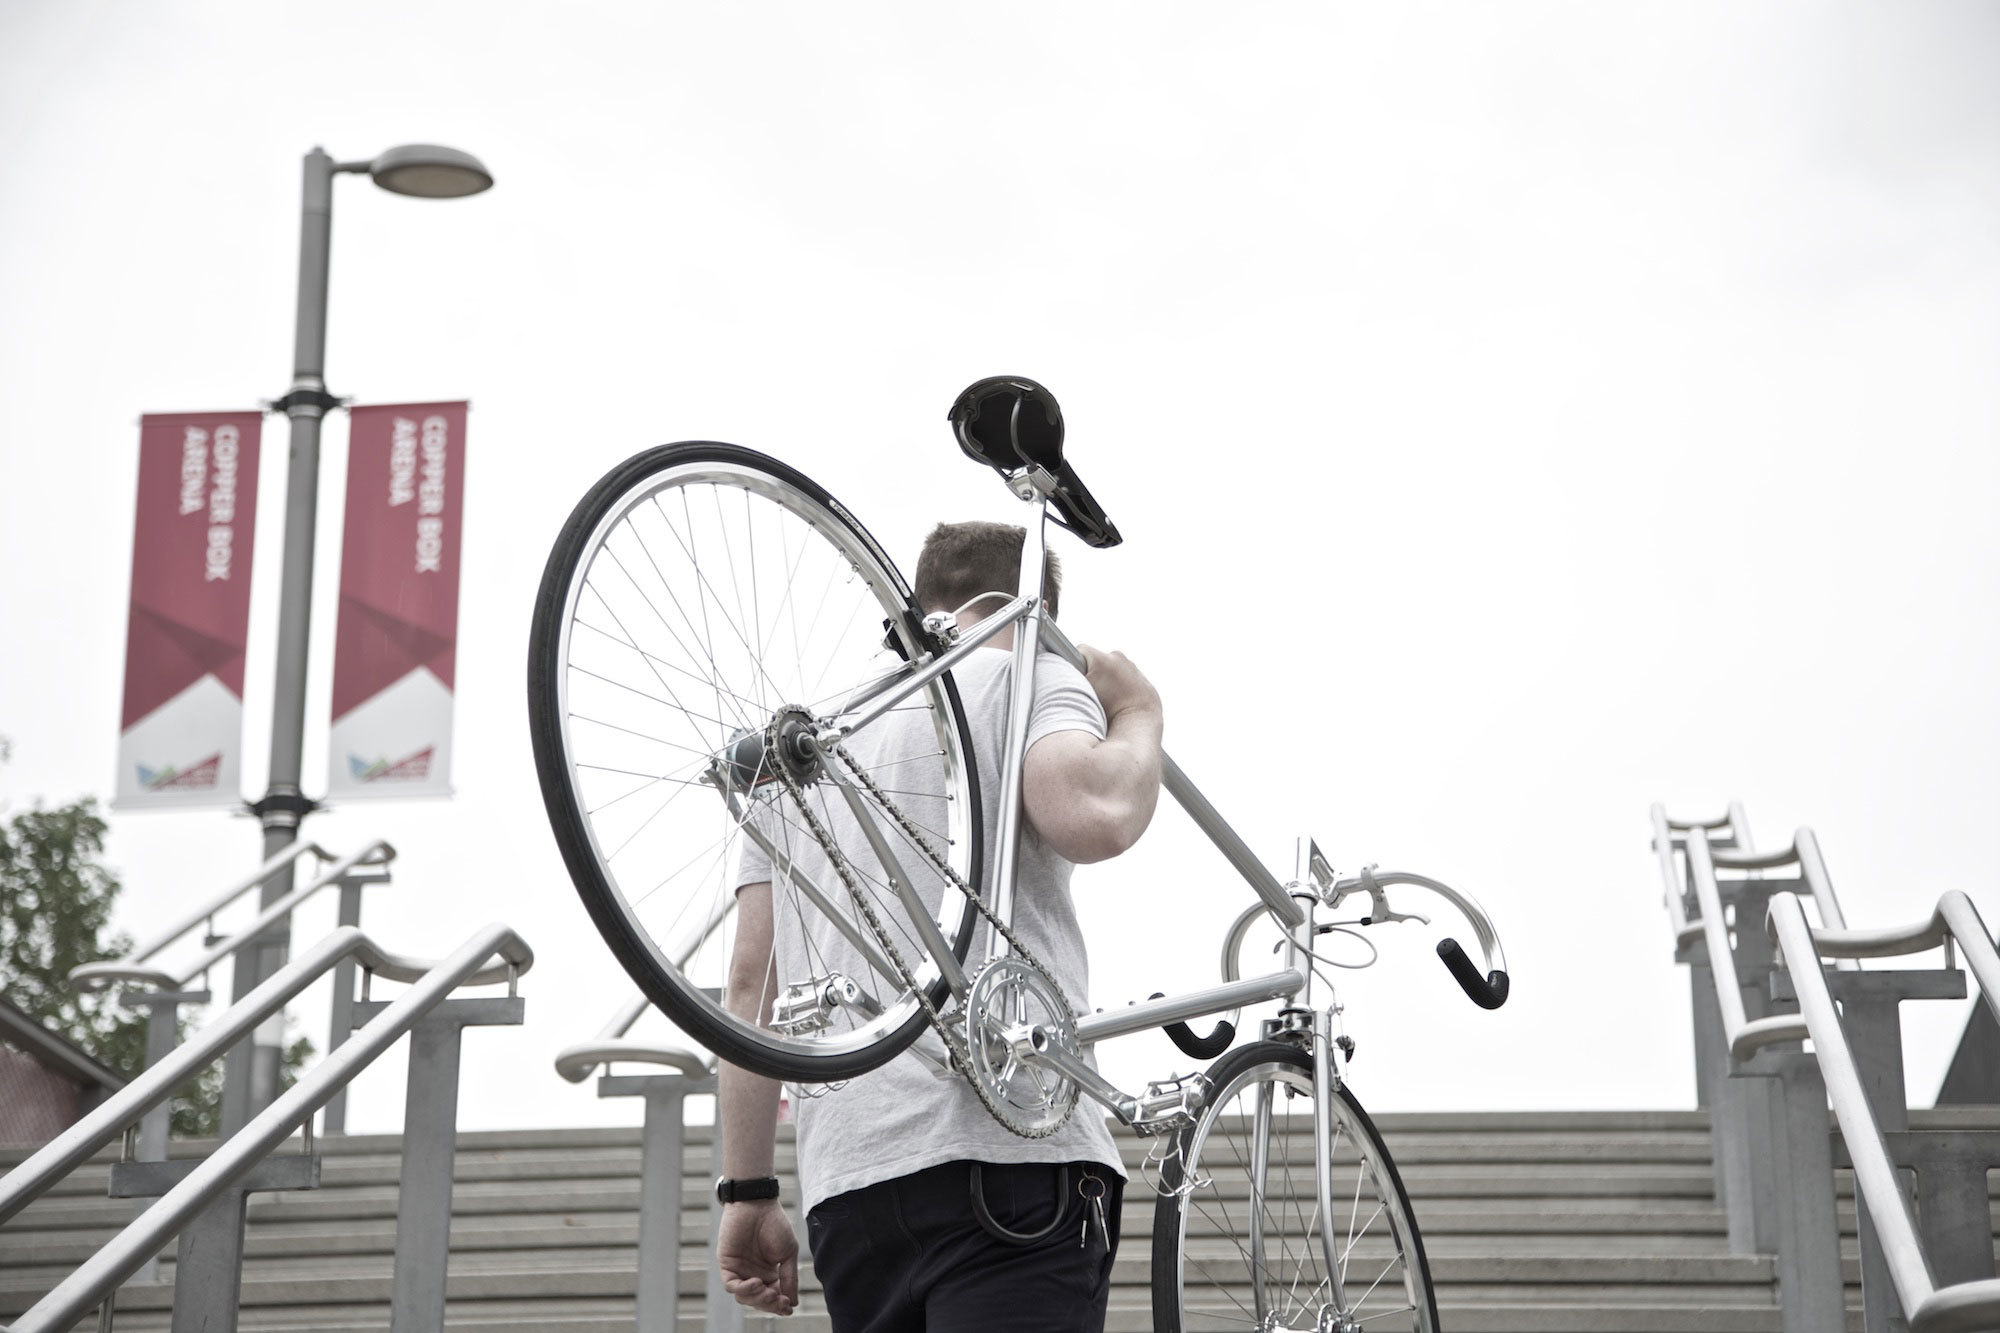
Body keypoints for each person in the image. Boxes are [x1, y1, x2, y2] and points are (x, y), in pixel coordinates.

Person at [714, 519, 1165, 1331]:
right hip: (1009, 1157)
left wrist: (746, 1190)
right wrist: (1136, 710)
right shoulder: (1021, 667)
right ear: (1034, 608)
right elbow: (1093, 811)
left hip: (851, 1185)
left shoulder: (802, 737)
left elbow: (752, 985)